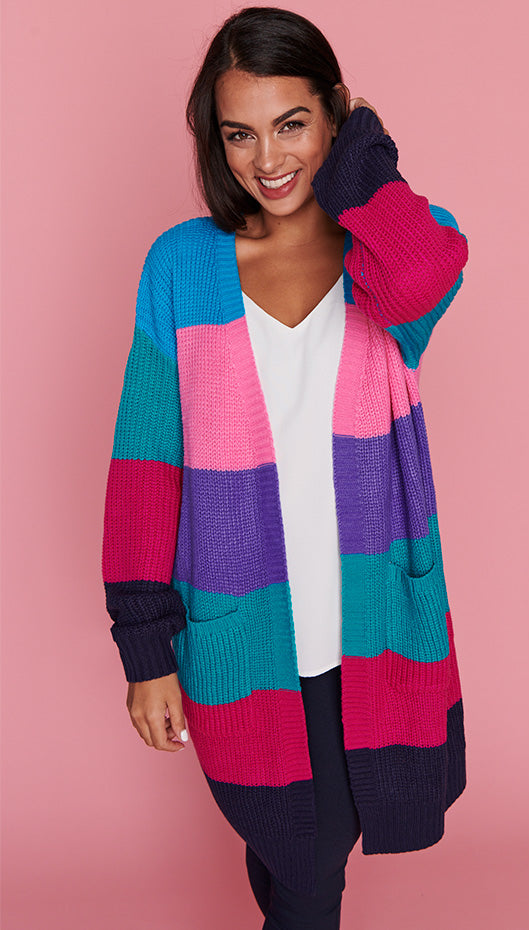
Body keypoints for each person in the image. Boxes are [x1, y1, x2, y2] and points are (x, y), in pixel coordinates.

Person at [102, 6, 469, 929]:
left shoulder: (383, 254)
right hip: (243, 631)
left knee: (309, 864)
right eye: (240, 133)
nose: (267, 158)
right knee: (285, 854)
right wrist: (145, 647)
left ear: (333, 114)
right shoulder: (181, 266)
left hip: (366, 625)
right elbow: (145, 466)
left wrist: (363, 162)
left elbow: (427, 274)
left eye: (293, 123)